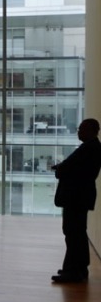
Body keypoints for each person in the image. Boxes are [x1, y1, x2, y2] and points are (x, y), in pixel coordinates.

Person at [51, 118, 101, 284]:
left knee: (72, 233)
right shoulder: (93, 147)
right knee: (78, 232)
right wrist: (62, 168)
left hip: (76, 197)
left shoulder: (88, 148)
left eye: (81, 129)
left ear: (91, 131)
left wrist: (60, 169)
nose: (78, 131)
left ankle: (72, 271)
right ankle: (79, 268)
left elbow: (70, 168)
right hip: (81, 196)